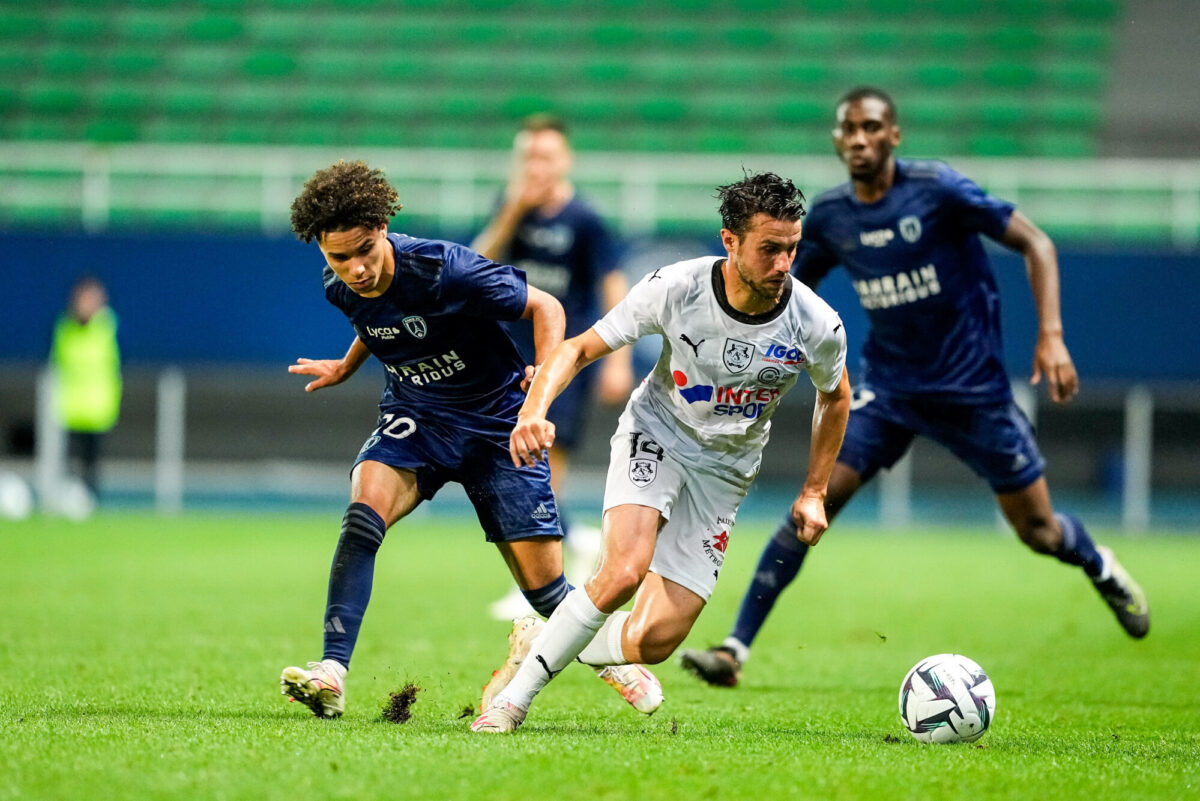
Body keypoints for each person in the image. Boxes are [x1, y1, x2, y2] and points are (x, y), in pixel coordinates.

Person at [679, 87, 1150, 689]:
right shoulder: (831, 218)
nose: (858, 138)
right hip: (892, 391)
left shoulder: (938, 191)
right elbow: (791, 292)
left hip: (974, 393)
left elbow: (1037, 242)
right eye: (847, 128)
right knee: (814, 503)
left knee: (1039, 532)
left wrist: (1051, 335)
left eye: (871, 127)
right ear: (837, 139)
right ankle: (735, 649)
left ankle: (1098, 563)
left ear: (893, 135)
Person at [470, 171, 851, 733]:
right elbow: (577, 349)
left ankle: (543, 635)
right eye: (769, 249)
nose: (782, 265)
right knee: (623, 571)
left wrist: (815, 491)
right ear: (730, 241)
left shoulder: (816, 322)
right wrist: (533, 410)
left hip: (726, 472)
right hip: (657, 433)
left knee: (654, 642)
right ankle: (513, 702)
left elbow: (836, 397)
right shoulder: (677, 287)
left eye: (791, 249)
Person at [278, 160, 661, 719]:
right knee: (363, 514)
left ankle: (612, 660)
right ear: (322, 251)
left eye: (365, 250)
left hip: (496, 420)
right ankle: (331, 671)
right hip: (418, 416)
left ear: (383, 229)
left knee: (546, 591)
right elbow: (377, 321)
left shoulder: (445, 268)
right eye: (340, 257)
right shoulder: (339, 284)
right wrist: (348, 364)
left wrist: (538, 394)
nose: (356, 268)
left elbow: (545, 306)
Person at [472, 114, 634, 618]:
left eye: (546, 156)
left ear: (565, 160)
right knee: (504, 467)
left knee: (539, 468)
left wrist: (618, 361)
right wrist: (512, 212)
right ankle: (574, 544)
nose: (536, 165)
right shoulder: (510, 209)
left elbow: (612, 284)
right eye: (529, 156)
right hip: (506, 357)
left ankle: (539, 586)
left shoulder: (584, 220)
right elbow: (476, 265)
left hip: (559, 359)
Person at [50, 276, 122, 499]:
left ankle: (90, 500)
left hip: (98, 407)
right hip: (69, 407)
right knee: (67, 461)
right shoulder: (65, 328)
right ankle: (66, 498)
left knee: (92, 462)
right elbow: (57, 364)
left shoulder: (106, 327)